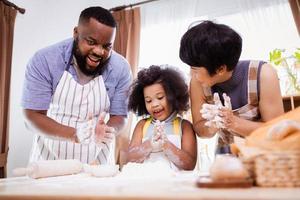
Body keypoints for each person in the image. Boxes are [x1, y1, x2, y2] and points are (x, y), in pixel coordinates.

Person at [21, 6, 132, 164]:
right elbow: (32, 116)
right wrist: (74, 134)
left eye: (107, 46)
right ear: (76, 33)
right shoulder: (45, 60)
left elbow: (120, 116)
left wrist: (109, 130)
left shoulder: (120, 68)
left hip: (97, 162)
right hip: (49, 161)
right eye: (91, 42)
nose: (99, 52)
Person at [179, 20, 284, 154]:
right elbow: (200, 130)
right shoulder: (197, 82)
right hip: (226, 155)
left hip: (264, 154)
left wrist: (232, 122)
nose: (191, 74)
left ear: (220, 69)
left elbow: (276, 131)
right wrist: (213, 125)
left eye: (195, 69)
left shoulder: (264, 74)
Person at [126, 65, 197, 170]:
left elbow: (189, 165)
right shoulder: (142, 125)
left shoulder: (185, 126)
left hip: (174, 185)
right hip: (146, 183)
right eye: (148, 101)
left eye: (160, 97)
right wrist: (149, 145)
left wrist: (167, 146)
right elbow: (130, 159)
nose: (154, 104)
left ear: (173, 96)